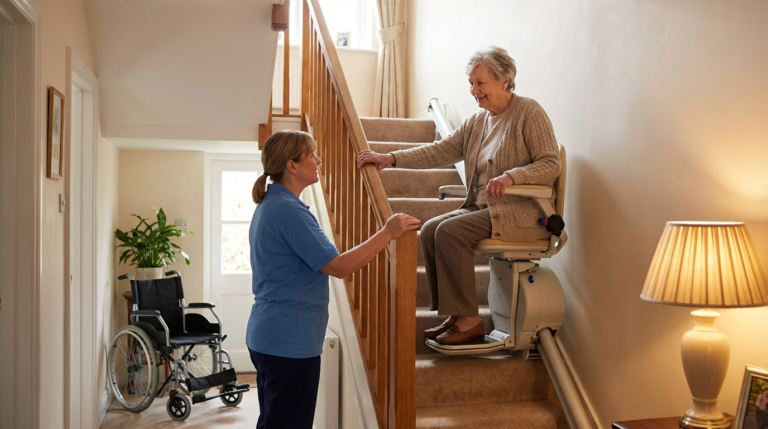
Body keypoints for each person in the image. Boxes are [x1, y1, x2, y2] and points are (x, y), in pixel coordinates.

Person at [356, 46, 560, 345]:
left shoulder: (528, 112)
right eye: (471, 84)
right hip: (482, 209)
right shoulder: (478, 122)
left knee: (450, 232)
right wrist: (391, 158)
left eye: (480, 83)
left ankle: (469, 319)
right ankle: (455, 314)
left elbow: (550, 163)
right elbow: (440, 150)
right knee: (429, 230)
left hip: (519, 213)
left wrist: (512, 176)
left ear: (505, 80)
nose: (474, 91)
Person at [246, 130, 420, 429]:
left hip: (271, 336)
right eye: (311, 155)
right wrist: (388, 232)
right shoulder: (288, 211)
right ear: (292, 166)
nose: (318, 160)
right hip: (289, 342)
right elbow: (339, 266)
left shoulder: (273, 206)